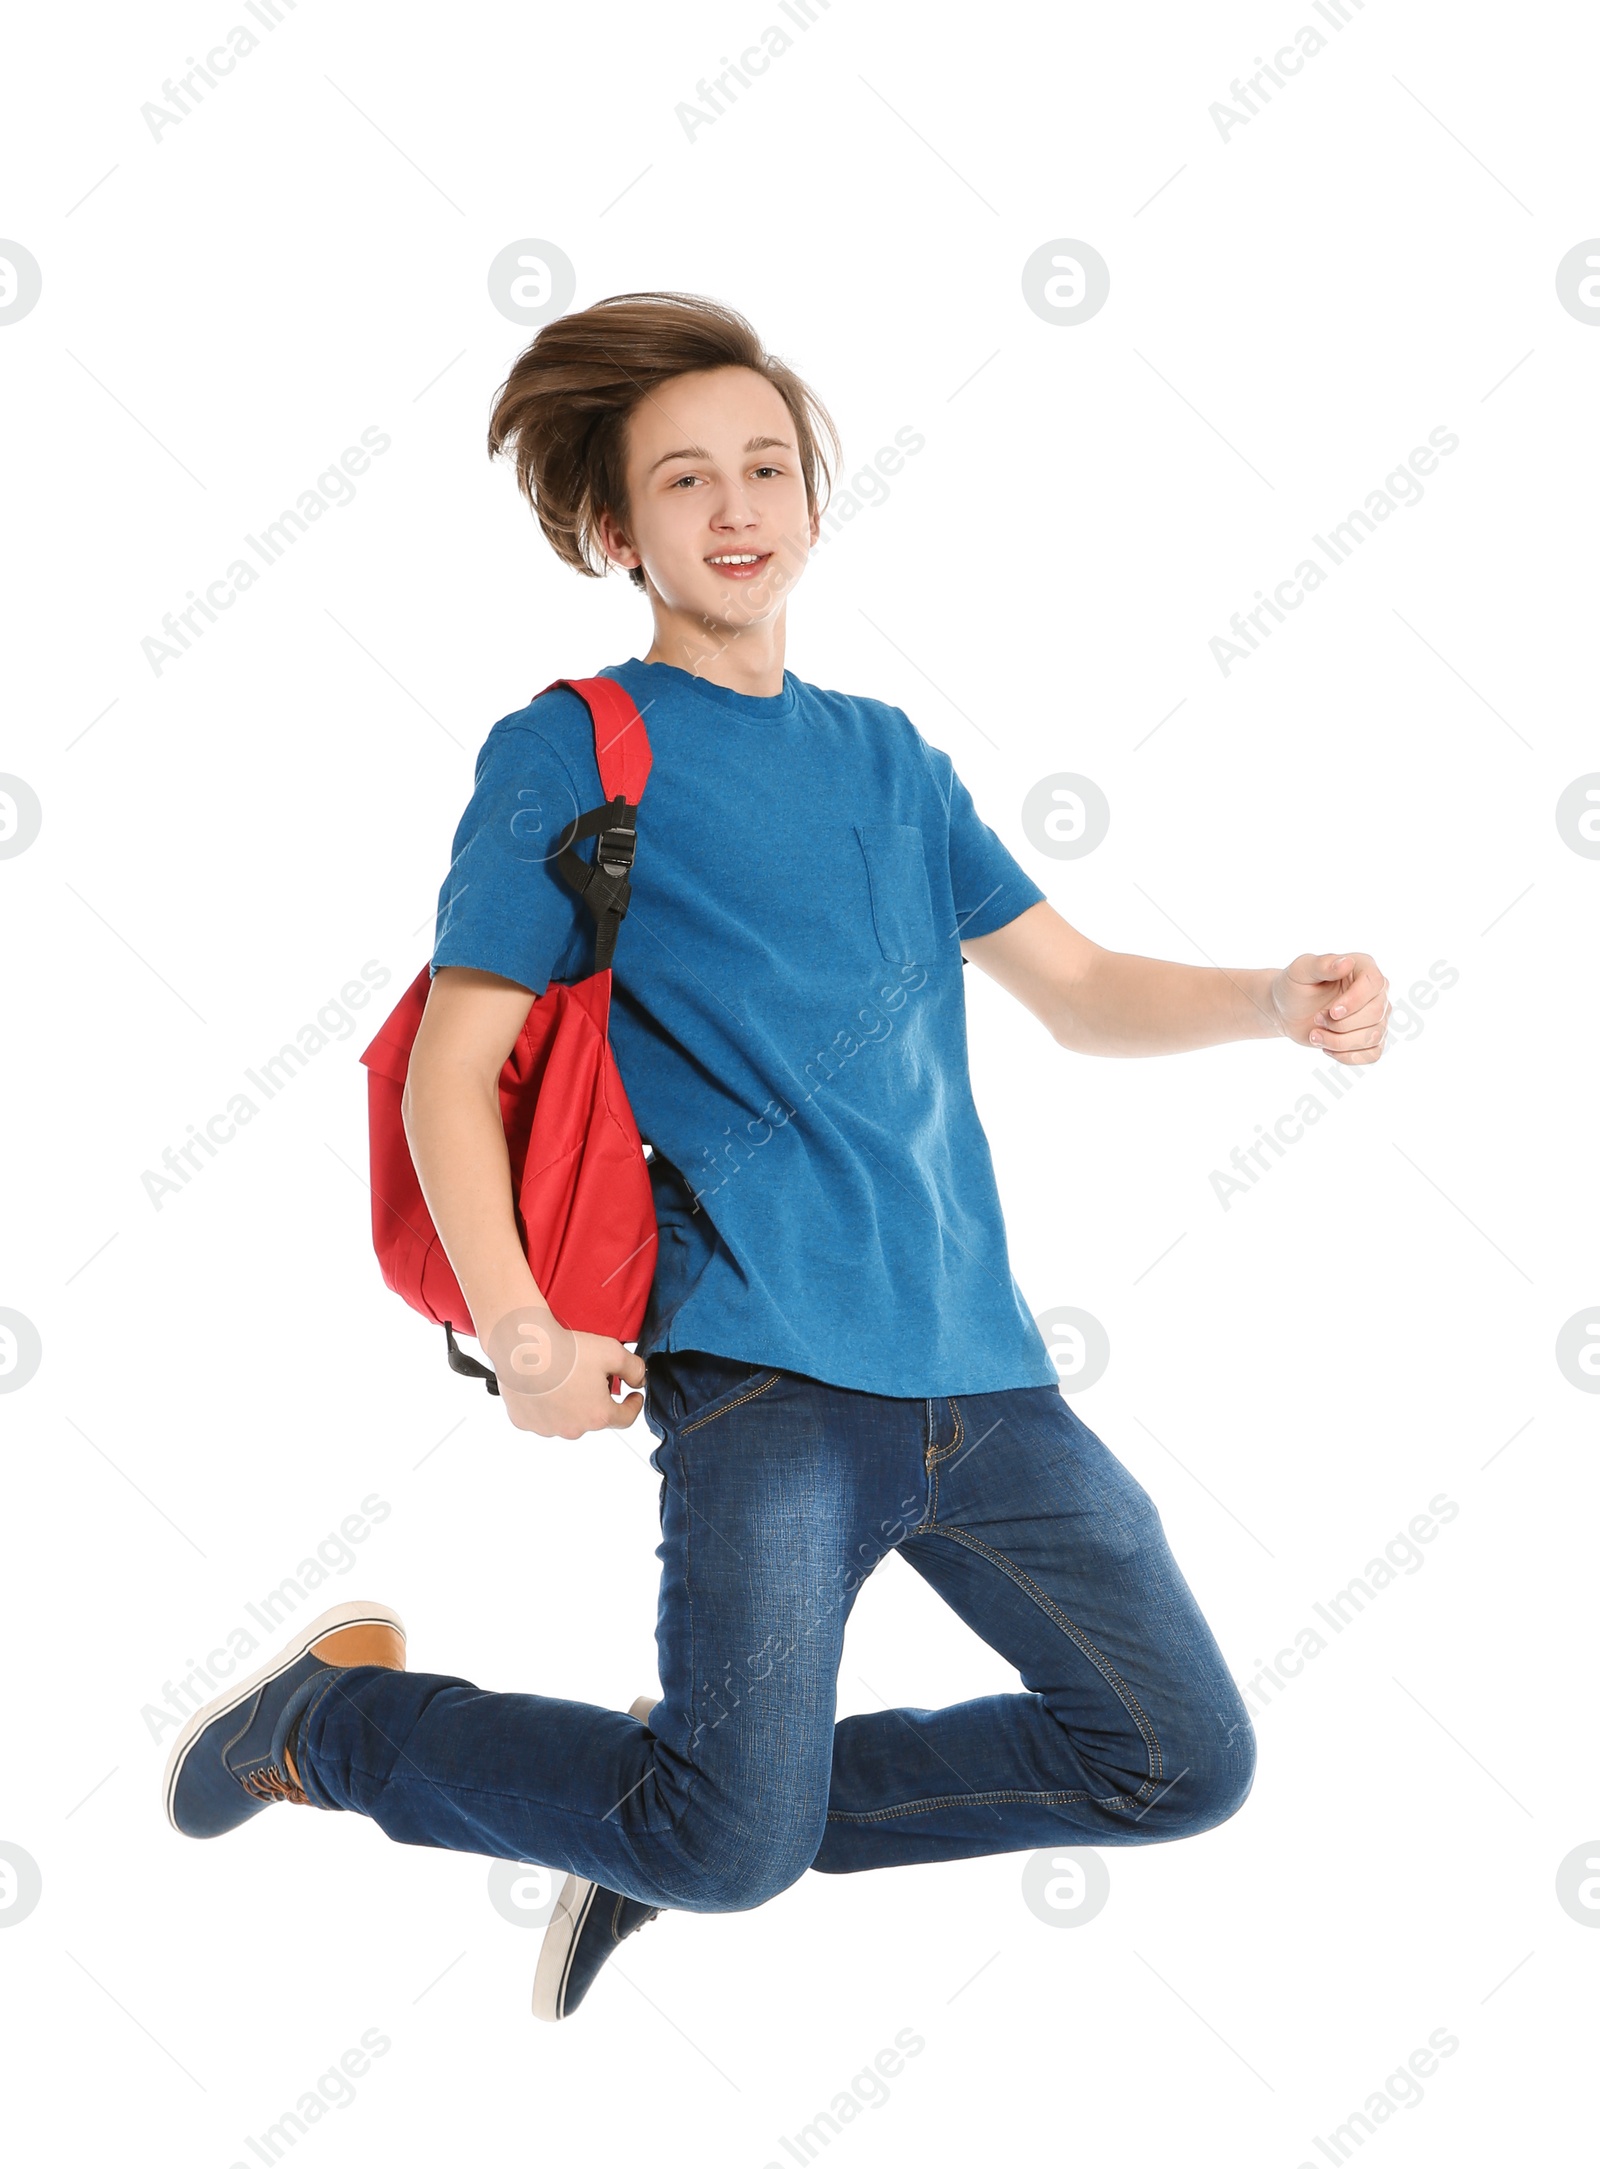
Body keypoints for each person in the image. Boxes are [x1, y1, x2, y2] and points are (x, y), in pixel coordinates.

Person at [163, 291, 1391, 2021]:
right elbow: (457, 1071)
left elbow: (1084, 990)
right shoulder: (576, 748)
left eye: (765, 467)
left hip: (987, 1377)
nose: (736, 507)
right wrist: (521, 1330)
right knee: (733, 1846)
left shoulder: (890, 756)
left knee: (1177, 1760)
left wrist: (1270, 993)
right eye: (685, 481)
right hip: (766, 1379)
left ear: (813, 499)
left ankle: (659, 1823)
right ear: (616, 530)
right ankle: (329, 1724)